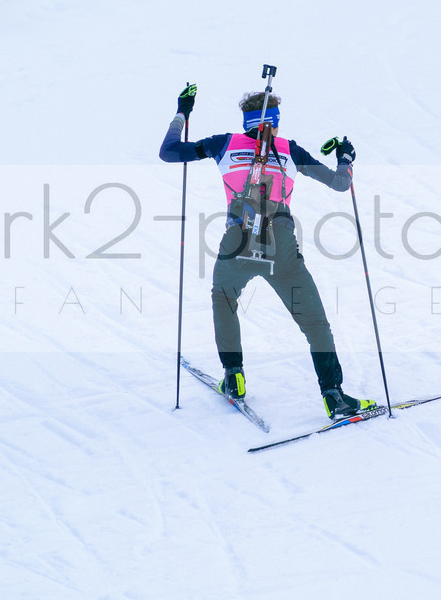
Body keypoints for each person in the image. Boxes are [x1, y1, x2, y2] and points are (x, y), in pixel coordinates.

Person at [159, 85, 376, 419]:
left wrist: (183, 111)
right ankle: (334, 396)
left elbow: (169, 152)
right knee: (315, 323)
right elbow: (339, 183)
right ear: (274, 122)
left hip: (238, 241)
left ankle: (234, 377)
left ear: (246, 121)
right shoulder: (290, 151)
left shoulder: (224, 144)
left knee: (224, 298)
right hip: (281, 244)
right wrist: (345, 158)